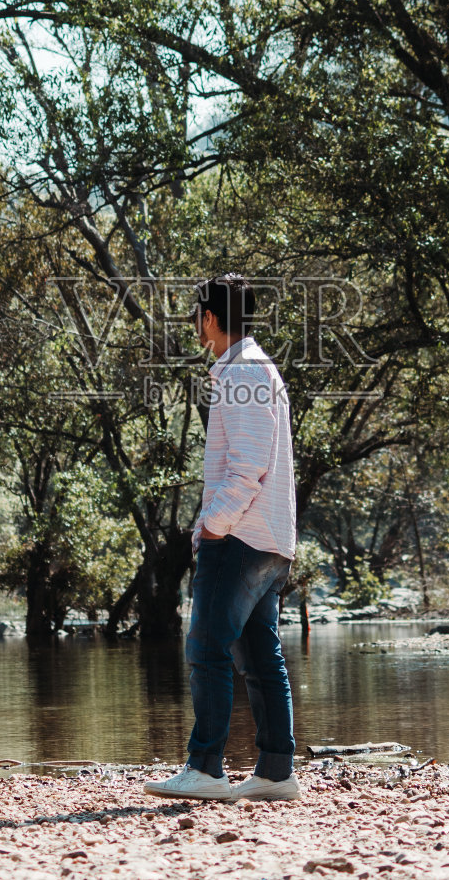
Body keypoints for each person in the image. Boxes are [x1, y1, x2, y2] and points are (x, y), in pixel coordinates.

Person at [144, 272, 300, 803]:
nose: (194, 324)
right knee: (260, 657)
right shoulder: (253, 369)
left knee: (206, 647)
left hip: (241, 537)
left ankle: (206, 767)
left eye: (195, 315)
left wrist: (212, 525)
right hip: (268, 537)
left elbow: (249, 465)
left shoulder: (245, 372)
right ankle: (276, 773)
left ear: (210, 318)